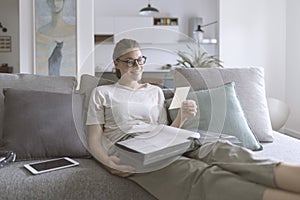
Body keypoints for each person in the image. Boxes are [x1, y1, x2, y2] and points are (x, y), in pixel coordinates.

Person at [86, 38, 300, 200]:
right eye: (130, 61)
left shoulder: (155, 92)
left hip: (160, 138)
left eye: (140, 60)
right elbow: (94, 139)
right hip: (129, 147)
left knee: (221, 149)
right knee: (196, 172)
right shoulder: (103, 93)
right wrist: (106, 163)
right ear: (117, 63)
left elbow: (166, 129)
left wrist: (182, 116)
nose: (137, 65)